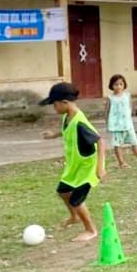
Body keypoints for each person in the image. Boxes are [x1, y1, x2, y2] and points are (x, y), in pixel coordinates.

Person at [40, 83, 107, 242]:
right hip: (74, 166)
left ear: (64, 102)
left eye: (54, 104)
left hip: (87, 167)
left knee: (76, 199)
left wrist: (100, 168)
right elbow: (66, 130)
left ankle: (91, 230)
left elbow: (100, 141)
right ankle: (74, 217)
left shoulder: (80, 122)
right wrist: (53, 134)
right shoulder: (67, 117)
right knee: (63, 191)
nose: (53, 108)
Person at [104, 74, 137, 168]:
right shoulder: (110, 98)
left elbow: (129, 107)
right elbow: (107, 111)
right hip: (116, 126)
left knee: (134, 142)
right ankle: (122, 163)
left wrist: (129, 117)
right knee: (118, 145)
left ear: (124, 85)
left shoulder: (127, 95)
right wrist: (108, 123)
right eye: (116, 84)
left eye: (121, 84)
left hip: (128, 124)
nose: (119, 86)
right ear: (111, 86)